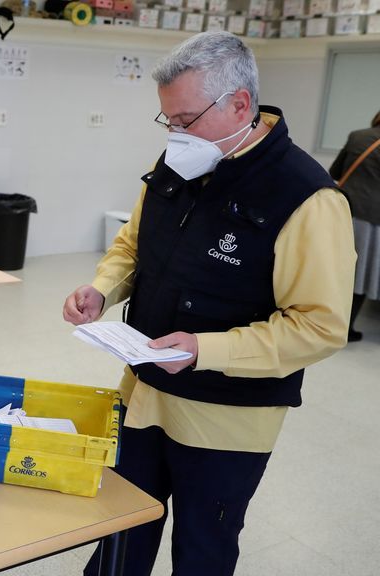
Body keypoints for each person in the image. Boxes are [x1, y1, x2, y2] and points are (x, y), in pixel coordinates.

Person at [62, 31, 354, 576]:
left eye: (186, 118)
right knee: (121, 529)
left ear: (240, 103)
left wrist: (206, 349)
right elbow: (133, 242)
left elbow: (320, 327)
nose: (175, 133)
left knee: (203, 548)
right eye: (167, 120)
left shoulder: (307, 198)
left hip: (226, 418)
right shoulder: (182, 161)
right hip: (147, 393)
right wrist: (102, 288)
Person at [329, 110, 380, 342]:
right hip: (372, 218)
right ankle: (345, 328)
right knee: (360, 273)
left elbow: (335, 172)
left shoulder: (358, 136)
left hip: (343, 209)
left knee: (331, 266)